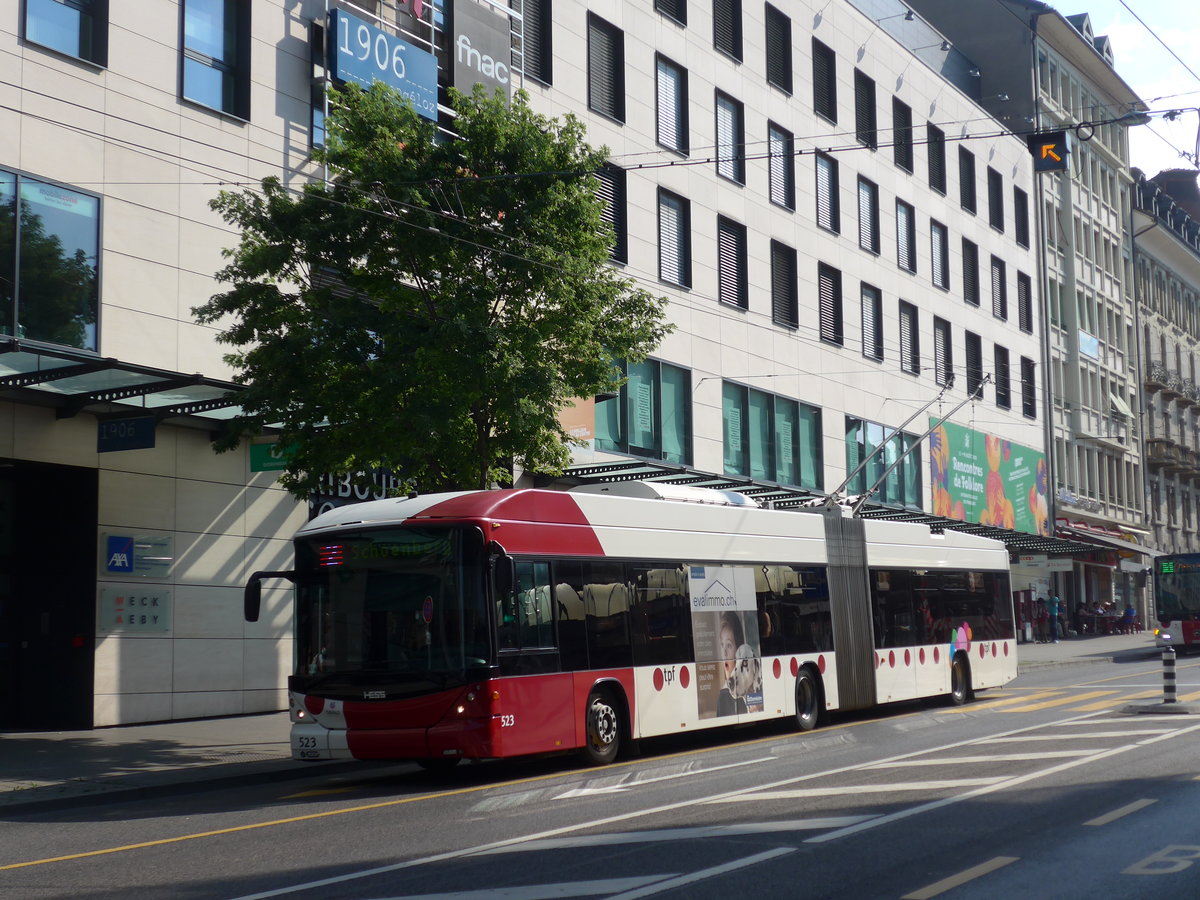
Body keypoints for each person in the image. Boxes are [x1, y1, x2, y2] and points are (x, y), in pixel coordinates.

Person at [717, 611, 749, 716]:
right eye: (722, 645)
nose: (724, 653)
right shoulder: (723, 696)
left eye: (729, 645)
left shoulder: (750, 686)